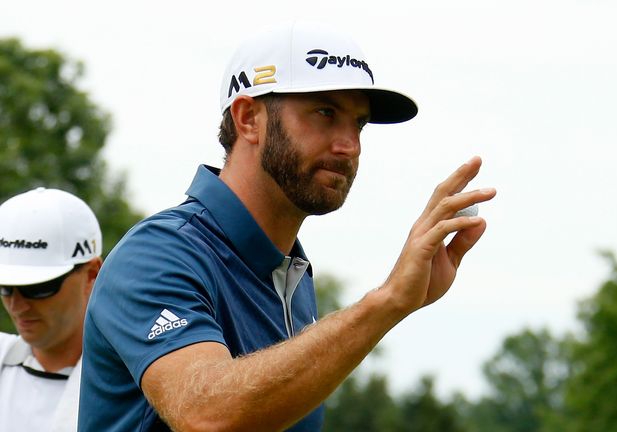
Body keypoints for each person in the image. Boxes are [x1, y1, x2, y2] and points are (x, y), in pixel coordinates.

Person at [79, 21, 496, 432]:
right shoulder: (156, 254)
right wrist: (388, 301)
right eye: (325, 112)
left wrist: (398, 302)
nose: (349, 145)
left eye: (359, 123)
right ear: (248, 119)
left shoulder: (292, 276)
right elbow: (207, 416)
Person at [0, 187, 102, 432]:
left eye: (39, 288)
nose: (17, 305)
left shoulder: (134, 387)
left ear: (91, 274)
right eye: (5, 287)